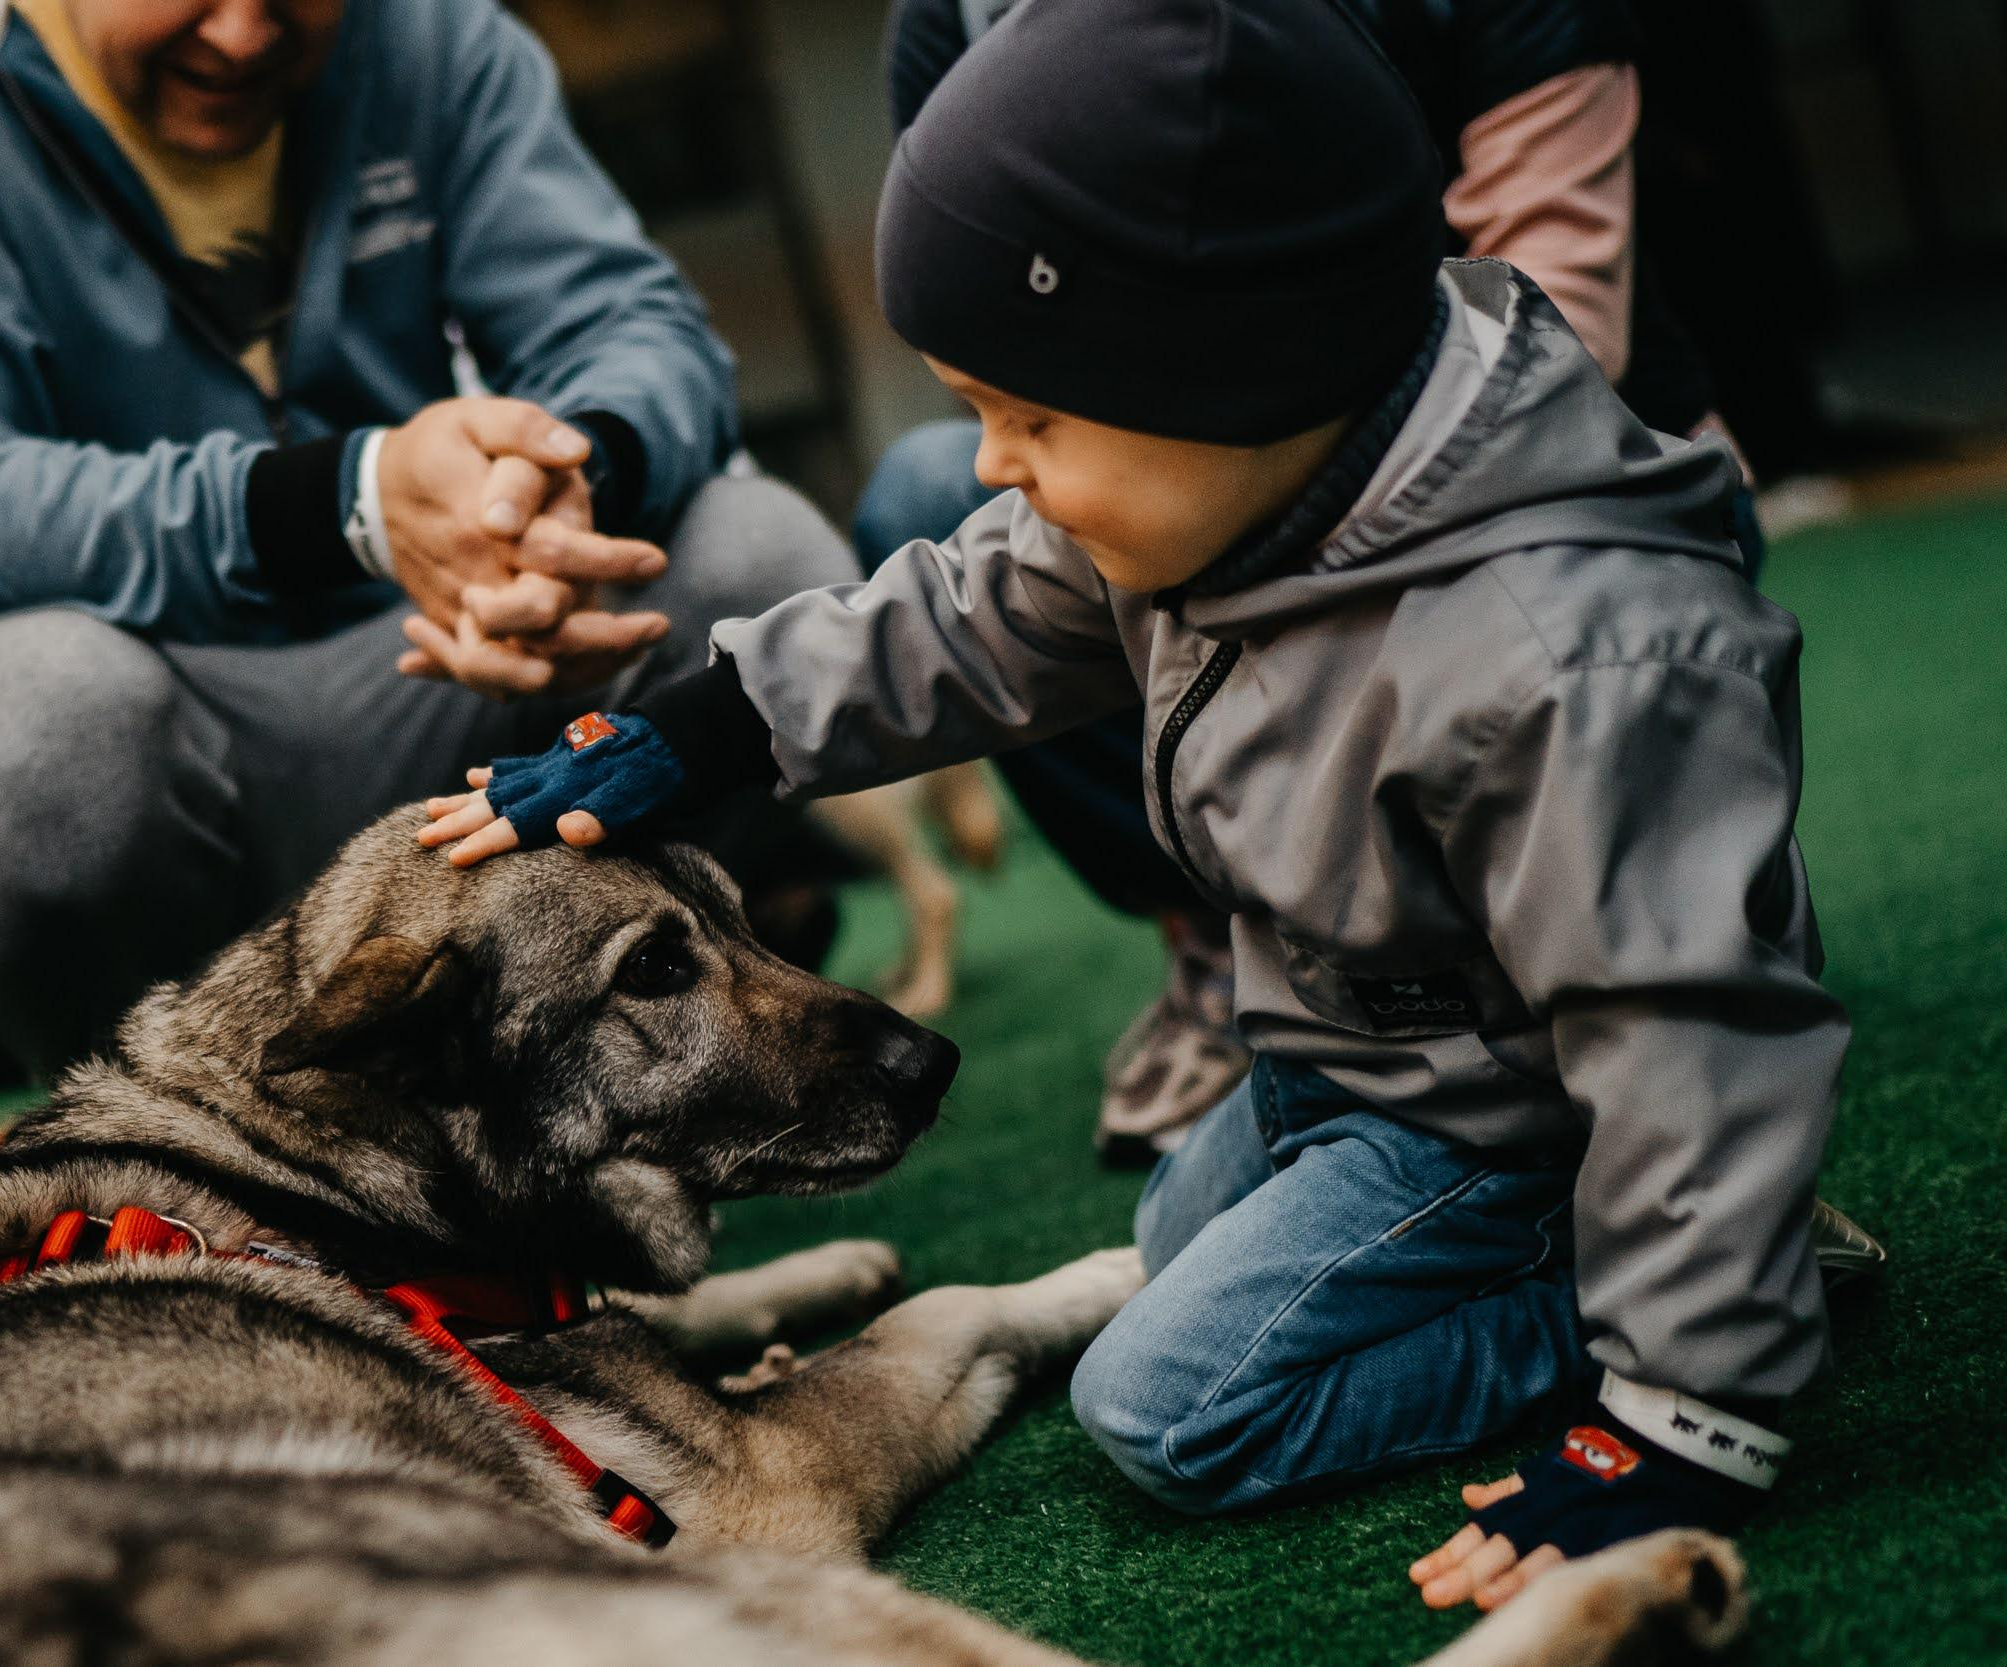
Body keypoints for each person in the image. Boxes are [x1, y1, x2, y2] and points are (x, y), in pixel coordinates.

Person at [422, 0, 1849, 1609]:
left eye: (1028, 416)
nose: (987, 465)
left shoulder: (1566, 649)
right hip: (1355, 1045)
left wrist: (1676, 1412)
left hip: (1514, 1105)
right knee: (1174, 1236)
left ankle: (1644, 1288)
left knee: (1171, 1400)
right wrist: (710, 725)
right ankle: (1617, 1248)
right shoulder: (1234, 474)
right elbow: (967, 613)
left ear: (1232, 364)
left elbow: (1690, 1033)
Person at [0, 0, 857, 1079]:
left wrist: (553, 490)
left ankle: (638, 1096)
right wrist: (340, 502)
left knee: (760, 561)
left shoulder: (432, 36)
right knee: (22, 731)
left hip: (448, 694)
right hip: (163, 730)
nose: (247, 35)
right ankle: (177, 1151)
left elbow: (632, 327)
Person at [863, 0, 1756, 1164]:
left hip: (1556, 476)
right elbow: (1020, 349)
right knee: (946, 490)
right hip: (1226, 457)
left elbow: (1563, 314)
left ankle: (1523, 991)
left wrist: (1265, 485)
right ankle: (1234, 946)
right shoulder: (951, 18)